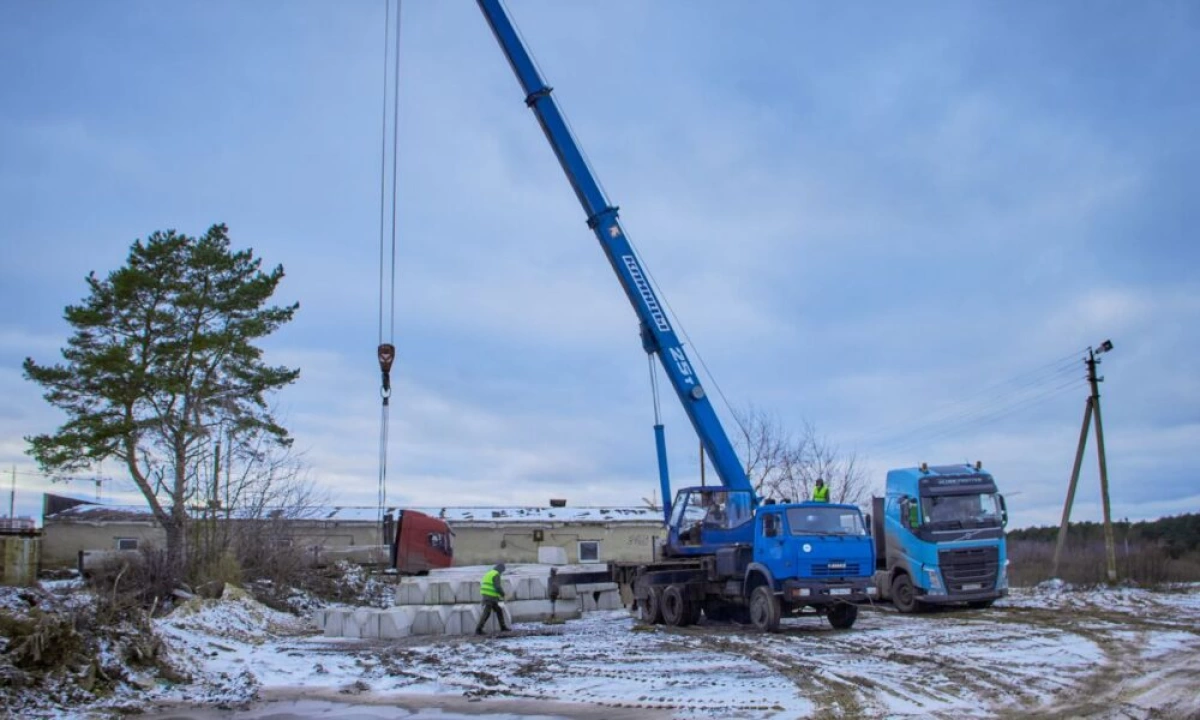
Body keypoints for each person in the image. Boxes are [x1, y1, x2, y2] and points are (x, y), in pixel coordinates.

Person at [475, 563, 510, 635]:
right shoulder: (496, 574)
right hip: (490, 596)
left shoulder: (489, 573)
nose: (501, 573)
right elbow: (497, 587)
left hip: (486, 595)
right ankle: (478, 629)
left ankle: (503, 627)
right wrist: (503, 595)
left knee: (498, 610)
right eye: (502, 571)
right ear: (500, 570)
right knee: (487, 612)